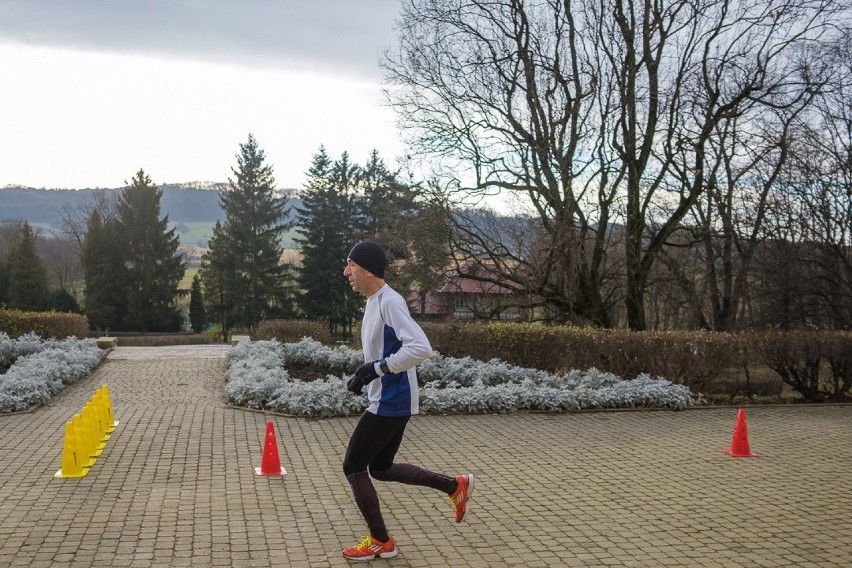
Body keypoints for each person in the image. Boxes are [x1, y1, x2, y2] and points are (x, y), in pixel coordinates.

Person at [341, 240, 473, 562]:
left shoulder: (390, 302)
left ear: (369, 269)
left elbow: (421, 348)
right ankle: (453, 486)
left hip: (392, 399)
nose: (346, 272)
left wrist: (377, 369)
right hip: (389, 397)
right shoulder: (375, 300)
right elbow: (383, 351)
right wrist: (366, 374)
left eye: (351, 265)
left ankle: (380, 541)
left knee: (354, 466)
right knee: (381, 468)